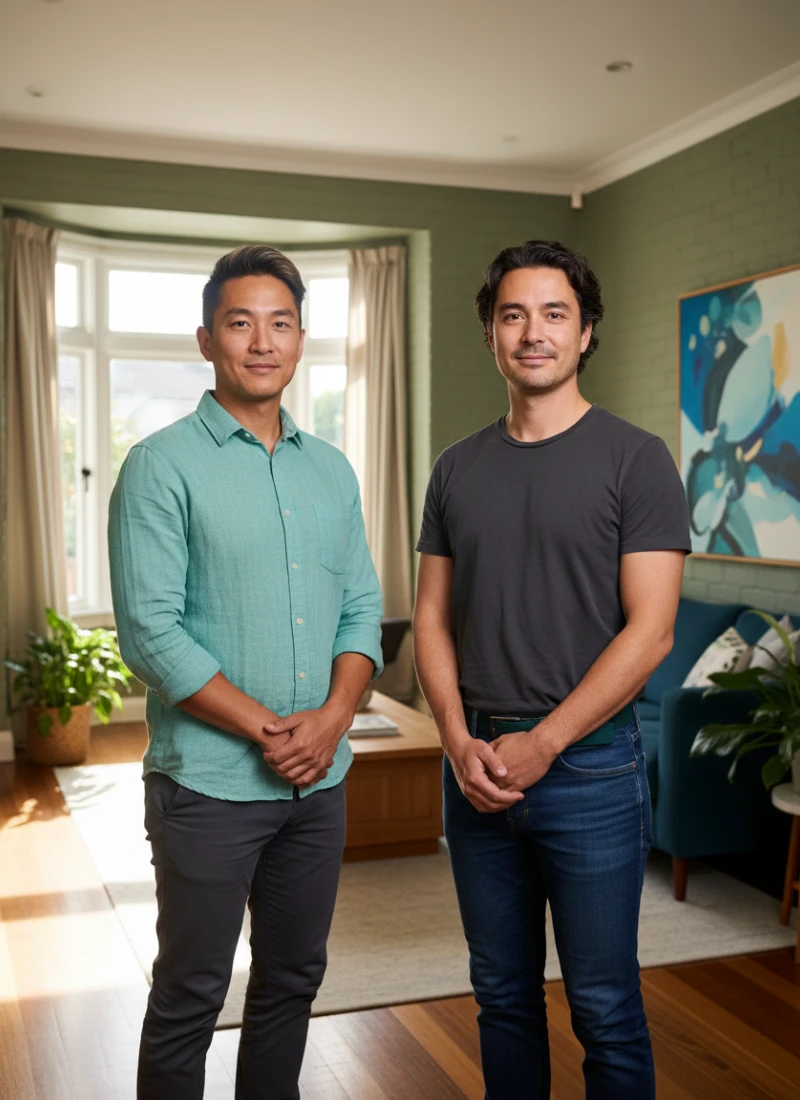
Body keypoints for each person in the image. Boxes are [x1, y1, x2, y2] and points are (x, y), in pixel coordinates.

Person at [413, 239, 690, 1099]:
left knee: (605, 1005)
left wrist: (545, 743)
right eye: (513, 315)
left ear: (586, 332)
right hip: (477, 769)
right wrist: (459, 743)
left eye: (554, 313)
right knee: (500, 996)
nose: (533, 332)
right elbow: (430, 615)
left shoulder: (636, 459)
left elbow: (650, 633)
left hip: (591, 771)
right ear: (492, 335)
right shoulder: (456, 466)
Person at [108, 245, 383, 1100]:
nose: (262, 342)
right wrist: (273, 731)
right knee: (191, 993)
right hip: (210, 789)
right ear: (206, 339)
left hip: (319, 788)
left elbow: (362, 610)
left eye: (280, 323)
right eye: (240, 323)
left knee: (293, 983)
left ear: (301, 339)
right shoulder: (159, 465)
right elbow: (150, 634)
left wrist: (334, 717)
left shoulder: (332, 469)